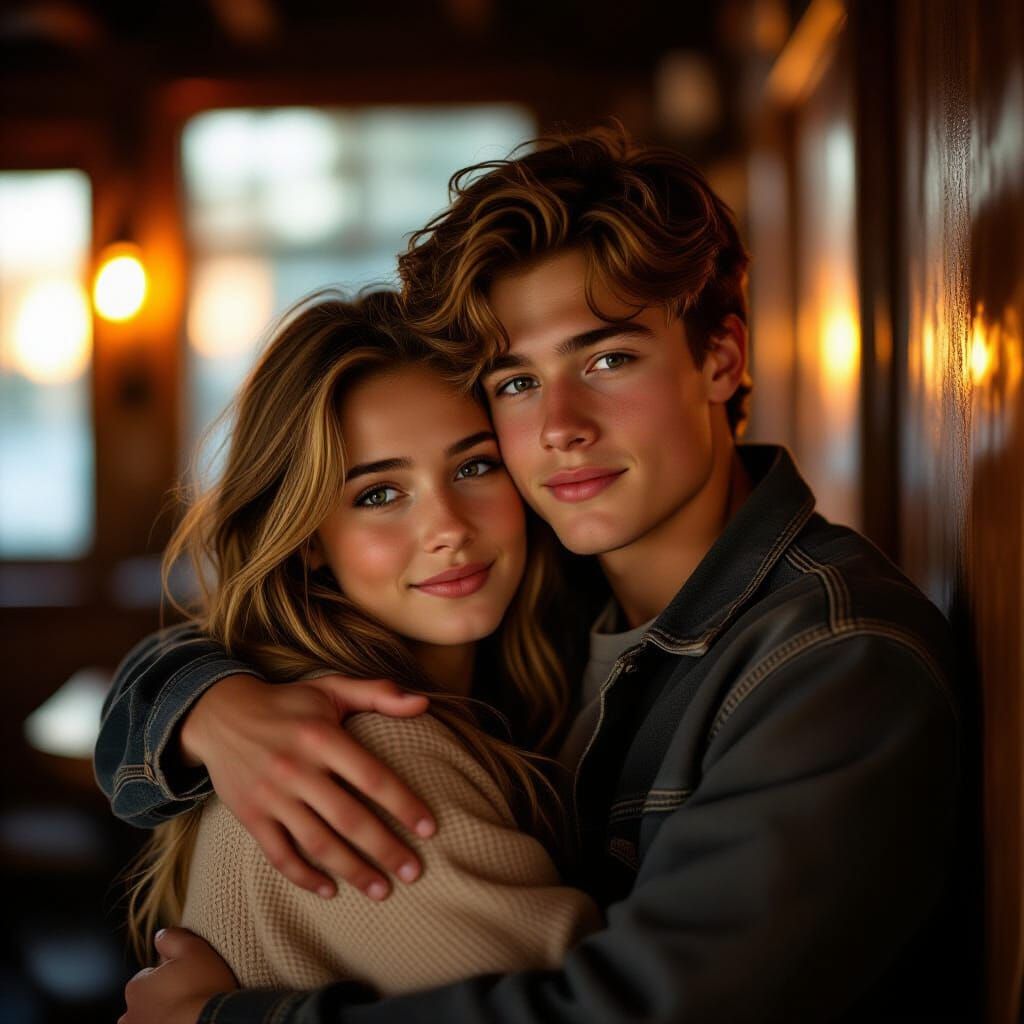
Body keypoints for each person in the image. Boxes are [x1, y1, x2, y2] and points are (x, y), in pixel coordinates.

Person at [101, 128, 970, 1024]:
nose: (561, 425)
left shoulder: (834, 658)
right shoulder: (538, 598)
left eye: (607, 359)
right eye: (516, 383)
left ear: (721, 359)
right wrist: (205, 704)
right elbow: (227, 639)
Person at [116, 290, 598, 994]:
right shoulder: (370, 754)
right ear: (309, 539)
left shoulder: (526, 669)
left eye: (473, 467)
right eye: (379, 494)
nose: (449, 529)